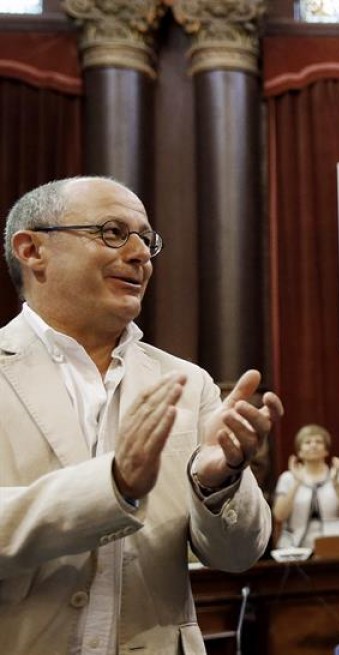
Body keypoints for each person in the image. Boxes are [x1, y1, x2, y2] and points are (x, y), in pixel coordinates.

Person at [0, 176, 284, 654]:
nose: (139, 255)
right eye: (112, 232)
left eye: (147, 241)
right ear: (32, 250)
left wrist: (218, 483)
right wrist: (113, 486)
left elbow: (239, 555)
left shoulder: (186, 382)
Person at [272, 423, 339, 548]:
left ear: (326, 450)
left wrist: (336, 483)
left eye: (318, 441)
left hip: (333, 545)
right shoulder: (287, 478)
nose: (313, 445)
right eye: (307, 442)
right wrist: (297, 483)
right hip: (293, 547)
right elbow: (279, 515)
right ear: (299, 451)